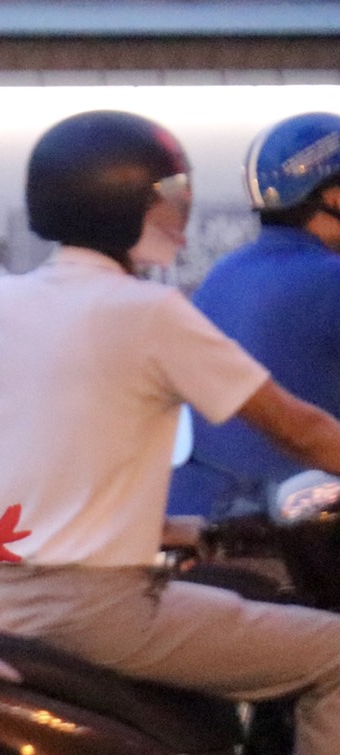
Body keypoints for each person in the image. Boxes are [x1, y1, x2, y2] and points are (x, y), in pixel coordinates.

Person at [0, 110, 340, 755]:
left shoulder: (2, 303)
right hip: (99, 609)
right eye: (167, 195)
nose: (177, 211)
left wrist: (156, 522)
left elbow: (61, 436)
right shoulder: (147, 312)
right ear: (120, 205)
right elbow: (304, 431)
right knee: (332, 655)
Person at [167, 113, 340, 519]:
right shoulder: (330, 278)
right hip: (288, 541)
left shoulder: (223, 273)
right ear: (332, 198)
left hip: (202, 517)